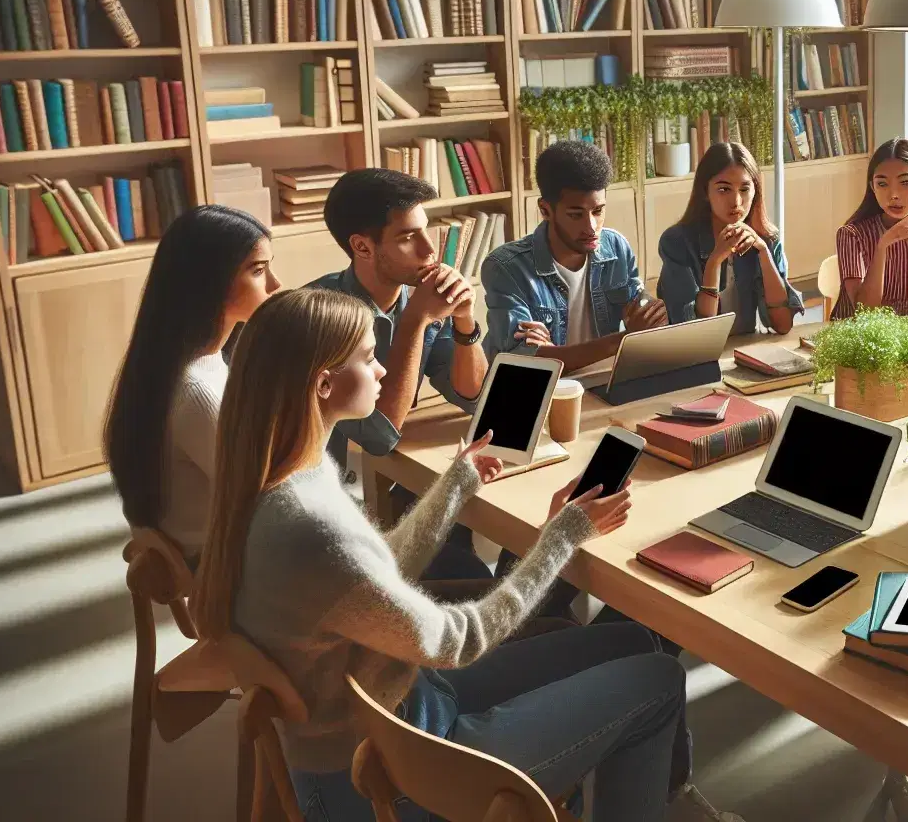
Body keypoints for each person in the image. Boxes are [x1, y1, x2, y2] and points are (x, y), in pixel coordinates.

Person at [191, 288, 744, 822]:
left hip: (400, 706)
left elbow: (368, 574)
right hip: (402, 770)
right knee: (656, 681)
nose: (383, 369)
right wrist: (560, 536)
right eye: (368, 357)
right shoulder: (309, 525)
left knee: (633, 640)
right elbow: (460, 639)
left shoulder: (281, 481)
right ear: (324, 383)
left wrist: (453, 489)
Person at [308, 167, 490, 582]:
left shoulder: (421, 299)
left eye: (427, 232)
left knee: (471, 546)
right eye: (408, 238)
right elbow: (379, 436)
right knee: (479, 578)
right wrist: (415, 321)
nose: (430, 251)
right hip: (327, 518)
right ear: (362, 247)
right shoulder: (323, 316)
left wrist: (464, 322)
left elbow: (472, 396)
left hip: (370, 496)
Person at [105, 205, 279, 559]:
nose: (275, 284)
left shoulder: (183, 361)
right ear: (209, 282)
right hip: (223, 561)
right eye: (259, 271)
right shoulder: (194, 390)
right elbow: (267, 494)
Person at [483, 141, 667, 371]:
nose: (591, 227)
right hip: (532, 392)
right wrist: (625, 338)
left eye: (598, 211)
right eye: (575, 214)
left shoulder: (616, 247)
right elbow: (528, 363)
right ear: (545, 210)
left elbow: (641, 312)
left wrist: (651, 314)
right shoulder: (506, 267)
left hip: (599, 380)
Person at [657, 142, 801, 334]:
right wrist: (715, 260)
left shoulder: (767, 239)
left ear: (755, 190)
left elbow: (783, 325)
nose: (736, 202)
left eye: (744, 189)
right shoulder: (677, 242)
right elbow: (696, 332)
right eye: (724, 189)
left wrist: (764, 253)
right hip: (698, 357)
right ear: (705, 191)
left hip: (746, 352)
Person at [834, 137, 908, 321]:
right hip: (856, 337)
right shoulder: (851, 235)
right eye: (882, 184)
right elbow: (864, 315)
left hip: (906, 336)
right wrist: (883, 246)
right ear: (873, 187)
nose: (894, 195)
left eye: (905, 182)